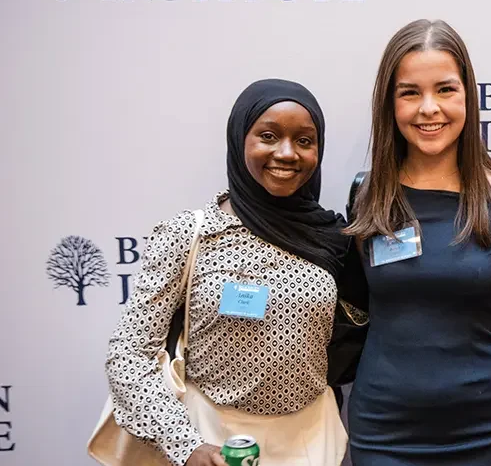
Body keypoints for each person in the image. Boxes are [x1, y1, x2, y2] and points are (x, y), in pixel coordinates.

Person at [104, 78, 360, 466]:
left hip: (312, 439)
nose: (287, 153)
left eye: (304, 141)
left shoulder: (335, 239)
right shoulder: (189, 234)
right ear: (240, 139)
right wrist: (184, 444)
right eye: (268, 136)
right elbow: (128, 353)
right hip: (211, 438)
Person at [343, 19, 491, 465]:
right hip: (385, 431)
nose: (429, 108)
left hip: (490, 428)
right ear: (389, 104)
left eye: (445, 89)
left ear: (468, 95)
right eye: (410, 92)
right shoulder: (367, 195)